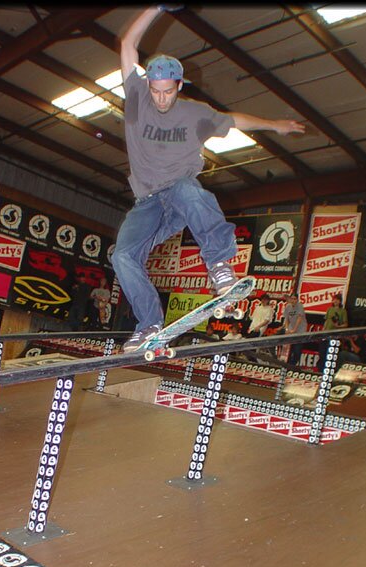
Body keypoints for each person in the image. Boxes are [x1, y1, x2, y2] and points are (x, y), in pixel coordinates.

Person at [111, 6, 305, 352]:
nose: (160, 98)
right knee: (121, 256)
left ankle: (218, 265)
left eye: (168, 92)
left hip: (180, 197)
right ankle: (150, 323)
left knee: (188, 188)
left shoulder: (196, 114)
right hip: (148, 205)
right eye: (155, 90)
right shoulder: (138, 98)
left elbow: (235, 121)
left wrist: (275, 125)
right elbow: (128, 43)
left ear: (180, 86)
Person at [316, 293, 348, 372]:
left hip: (335, 335)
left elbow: (346, 324)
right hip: (326, 334)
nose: (335, 301)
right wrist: (323, 331)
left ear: (340, 301)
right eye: (334, 299)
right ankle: (320, 369)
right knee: (322, 352)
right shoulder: (329, 309)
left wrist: (338, 327)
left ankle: (328, 370)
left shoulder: (343, 311)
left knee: (330, 354)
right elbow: (326, 321)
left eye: (337, 300)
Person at [281, 292, 307, 365]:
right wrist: (286, 329)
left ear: (297, 300)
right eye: (291, 299)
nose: (293, 300)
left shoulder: (300, 306)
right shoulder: (288, 307)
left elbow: (299, 318)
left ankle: (293, 364)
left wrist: (294, 329)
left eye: (294, 299)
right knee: (289, 349)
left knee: (297, 350)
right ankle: (287, 364)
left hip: (300, 330)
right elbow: (287, 319)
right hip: (291, 329)